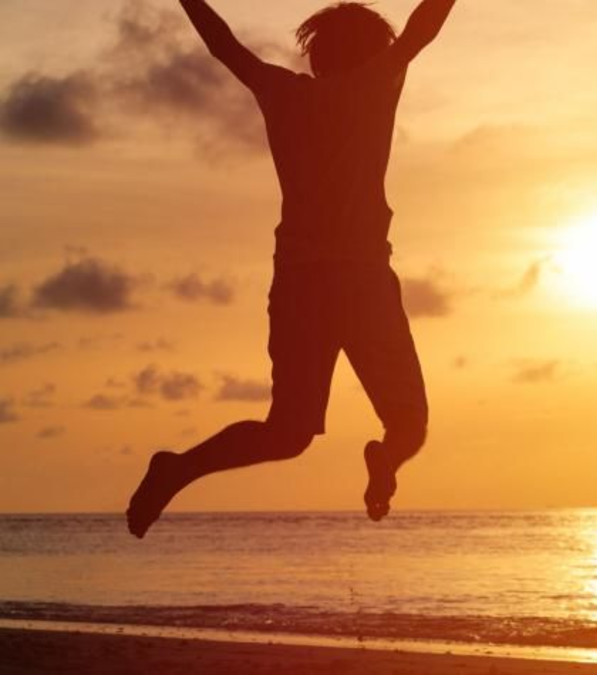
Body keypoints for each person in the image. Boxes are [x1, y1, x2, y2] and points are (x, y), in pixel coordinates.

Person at [126, 0, 457, 538]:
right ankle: (386, 461)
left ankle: (178, 469)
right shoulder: (377, 83)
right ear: (373, 53)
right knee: (408, 423)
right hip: (363, 280)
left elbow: (223, 45)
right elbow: (424, 27)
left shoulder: (281, 92)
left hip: (301, 283)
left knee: (288, 432)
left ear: (317, 56)